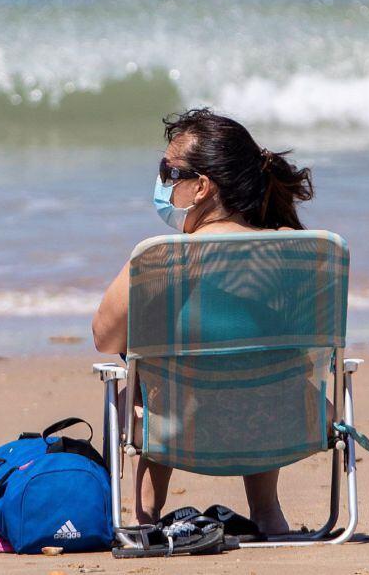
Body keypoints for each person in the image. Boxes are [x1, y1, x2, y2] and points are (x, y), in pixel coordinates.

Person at [91, 107, 314, 536]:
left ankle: (144, 514)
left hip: (178, 427)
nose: (162, 185)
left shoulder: (159, 259)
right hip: (283, 423)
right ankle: (267, 512)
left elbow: (103, 336)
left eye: (169, 172)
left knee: (146, 364)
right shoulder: (294, 252)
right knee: (257, 355)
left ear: (202, 187)